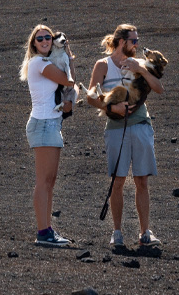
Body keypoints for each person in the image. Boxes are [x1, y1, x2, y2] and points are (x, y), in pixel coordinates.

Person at [88, 23, 164, 248]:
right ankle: (117, 232)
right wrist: (112, 108)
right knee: (118, 181)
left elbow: (158, 88)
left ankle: (144, 233)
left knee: (142, 180)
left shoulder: (139, 64)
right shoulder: (102, 65)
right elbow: (92, 96)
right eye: (134, 41)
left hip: (140, 124)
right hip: (115, 128)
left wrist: (140, 70)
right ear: (121, 42)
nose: (137, 44)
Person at [20, 23, 78, 247]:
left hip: (51, 124)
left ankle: (47, 229)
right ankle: (43, 232)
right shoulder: (39, 62)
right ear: (34, 44)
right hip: (42, 124)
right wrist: (69, 58)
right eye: (40, 38)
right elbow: (69, 81)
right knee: (43, 182)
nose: (45, 41)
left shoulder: (48, 62)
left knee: (50, 181)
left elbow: (69, 90)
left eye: (48, 37)